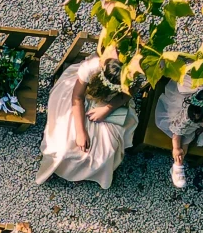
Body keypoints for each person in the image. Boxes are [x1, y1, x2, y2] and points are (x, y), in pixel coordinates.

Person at [37, 56, 139, 189]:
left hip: (110, 102)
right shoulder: (91, 68)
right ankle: (63, 169)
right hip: (80, 98)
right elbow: (77, 97)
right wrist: (81, 132)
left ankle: (89, 173)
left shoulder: (134, 72)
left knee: (107, 151)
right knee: (64, 148)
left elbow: (128, 94)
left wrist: (106, 110)